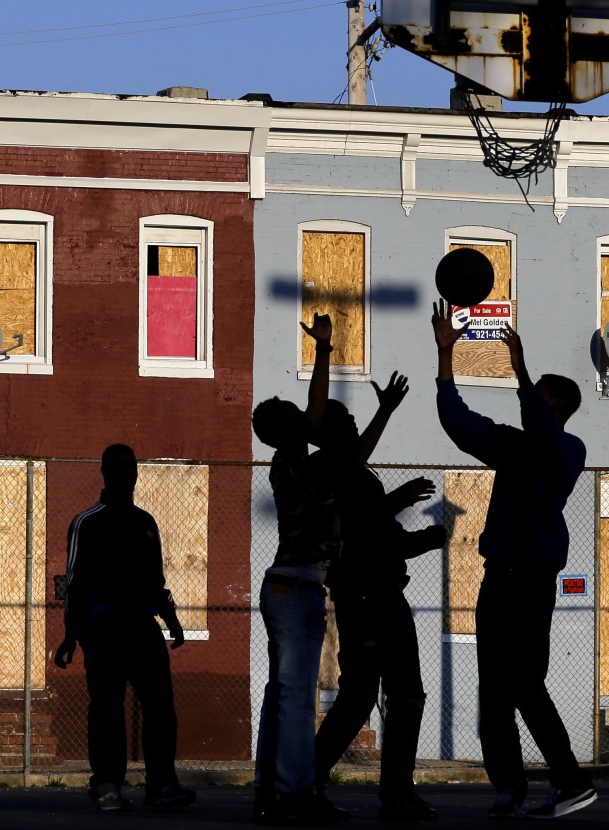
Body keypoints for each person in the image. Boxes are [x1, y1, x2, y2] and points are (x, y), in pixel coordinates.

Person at [430, 299, 597, 820]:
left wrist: (520, 368)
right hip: (498, 578)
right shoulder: (513, 446)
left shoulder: (567, 450)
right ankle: (510, 788)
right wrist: (444, 356)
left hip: (530, 580)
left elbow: (542, 427)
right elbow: (457, 421)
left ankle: (571, 781)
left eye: (537, 398)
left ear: (555, 407)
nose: (527, 401)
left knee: (524, 683)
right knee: (495, 693)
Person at [312, 382, 447, 822]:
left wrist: (421, 541)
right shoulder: (327, 471)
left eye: (357, 422)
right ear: (328, 434)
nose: (355, 428)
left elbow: (379, 537)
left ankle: (396, 793)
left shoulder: (358, 473)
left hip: (384, 594)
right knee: (359, 697)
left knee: (405, 695)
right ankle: (308, 781)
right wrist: (399, 500)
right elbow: (358, 530)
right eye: (347, 424)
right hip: (364, 598)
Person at [54, 443, 196, 812]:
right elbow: (74, 584)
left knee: (161, 706)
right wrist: (71, 635)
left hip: (142, 627)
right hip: (101, 629)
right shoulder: (88, 522)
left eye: (132, 467)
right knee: (107, 708)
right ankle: (106, 785)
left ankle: (162, 783)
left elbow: (155, 579)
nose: (128, 474)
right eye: (120, 467)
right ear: (104, 471)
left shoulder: (145, 523)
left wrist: (172, 621)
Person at [250, 313, 345, 825]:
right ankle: (294, 794)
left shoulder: (293, 459)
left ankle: (272, 789)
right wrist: (324, 354)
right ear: (285, 428)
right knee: (293, 697)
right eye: (292, 411)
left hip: (290, 587)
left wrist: (325, 350)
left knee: (282, 694)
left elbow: (311, 412)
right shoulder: (296, 460)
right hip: (296, 589)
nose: (304, 414)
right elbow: (317, 419)